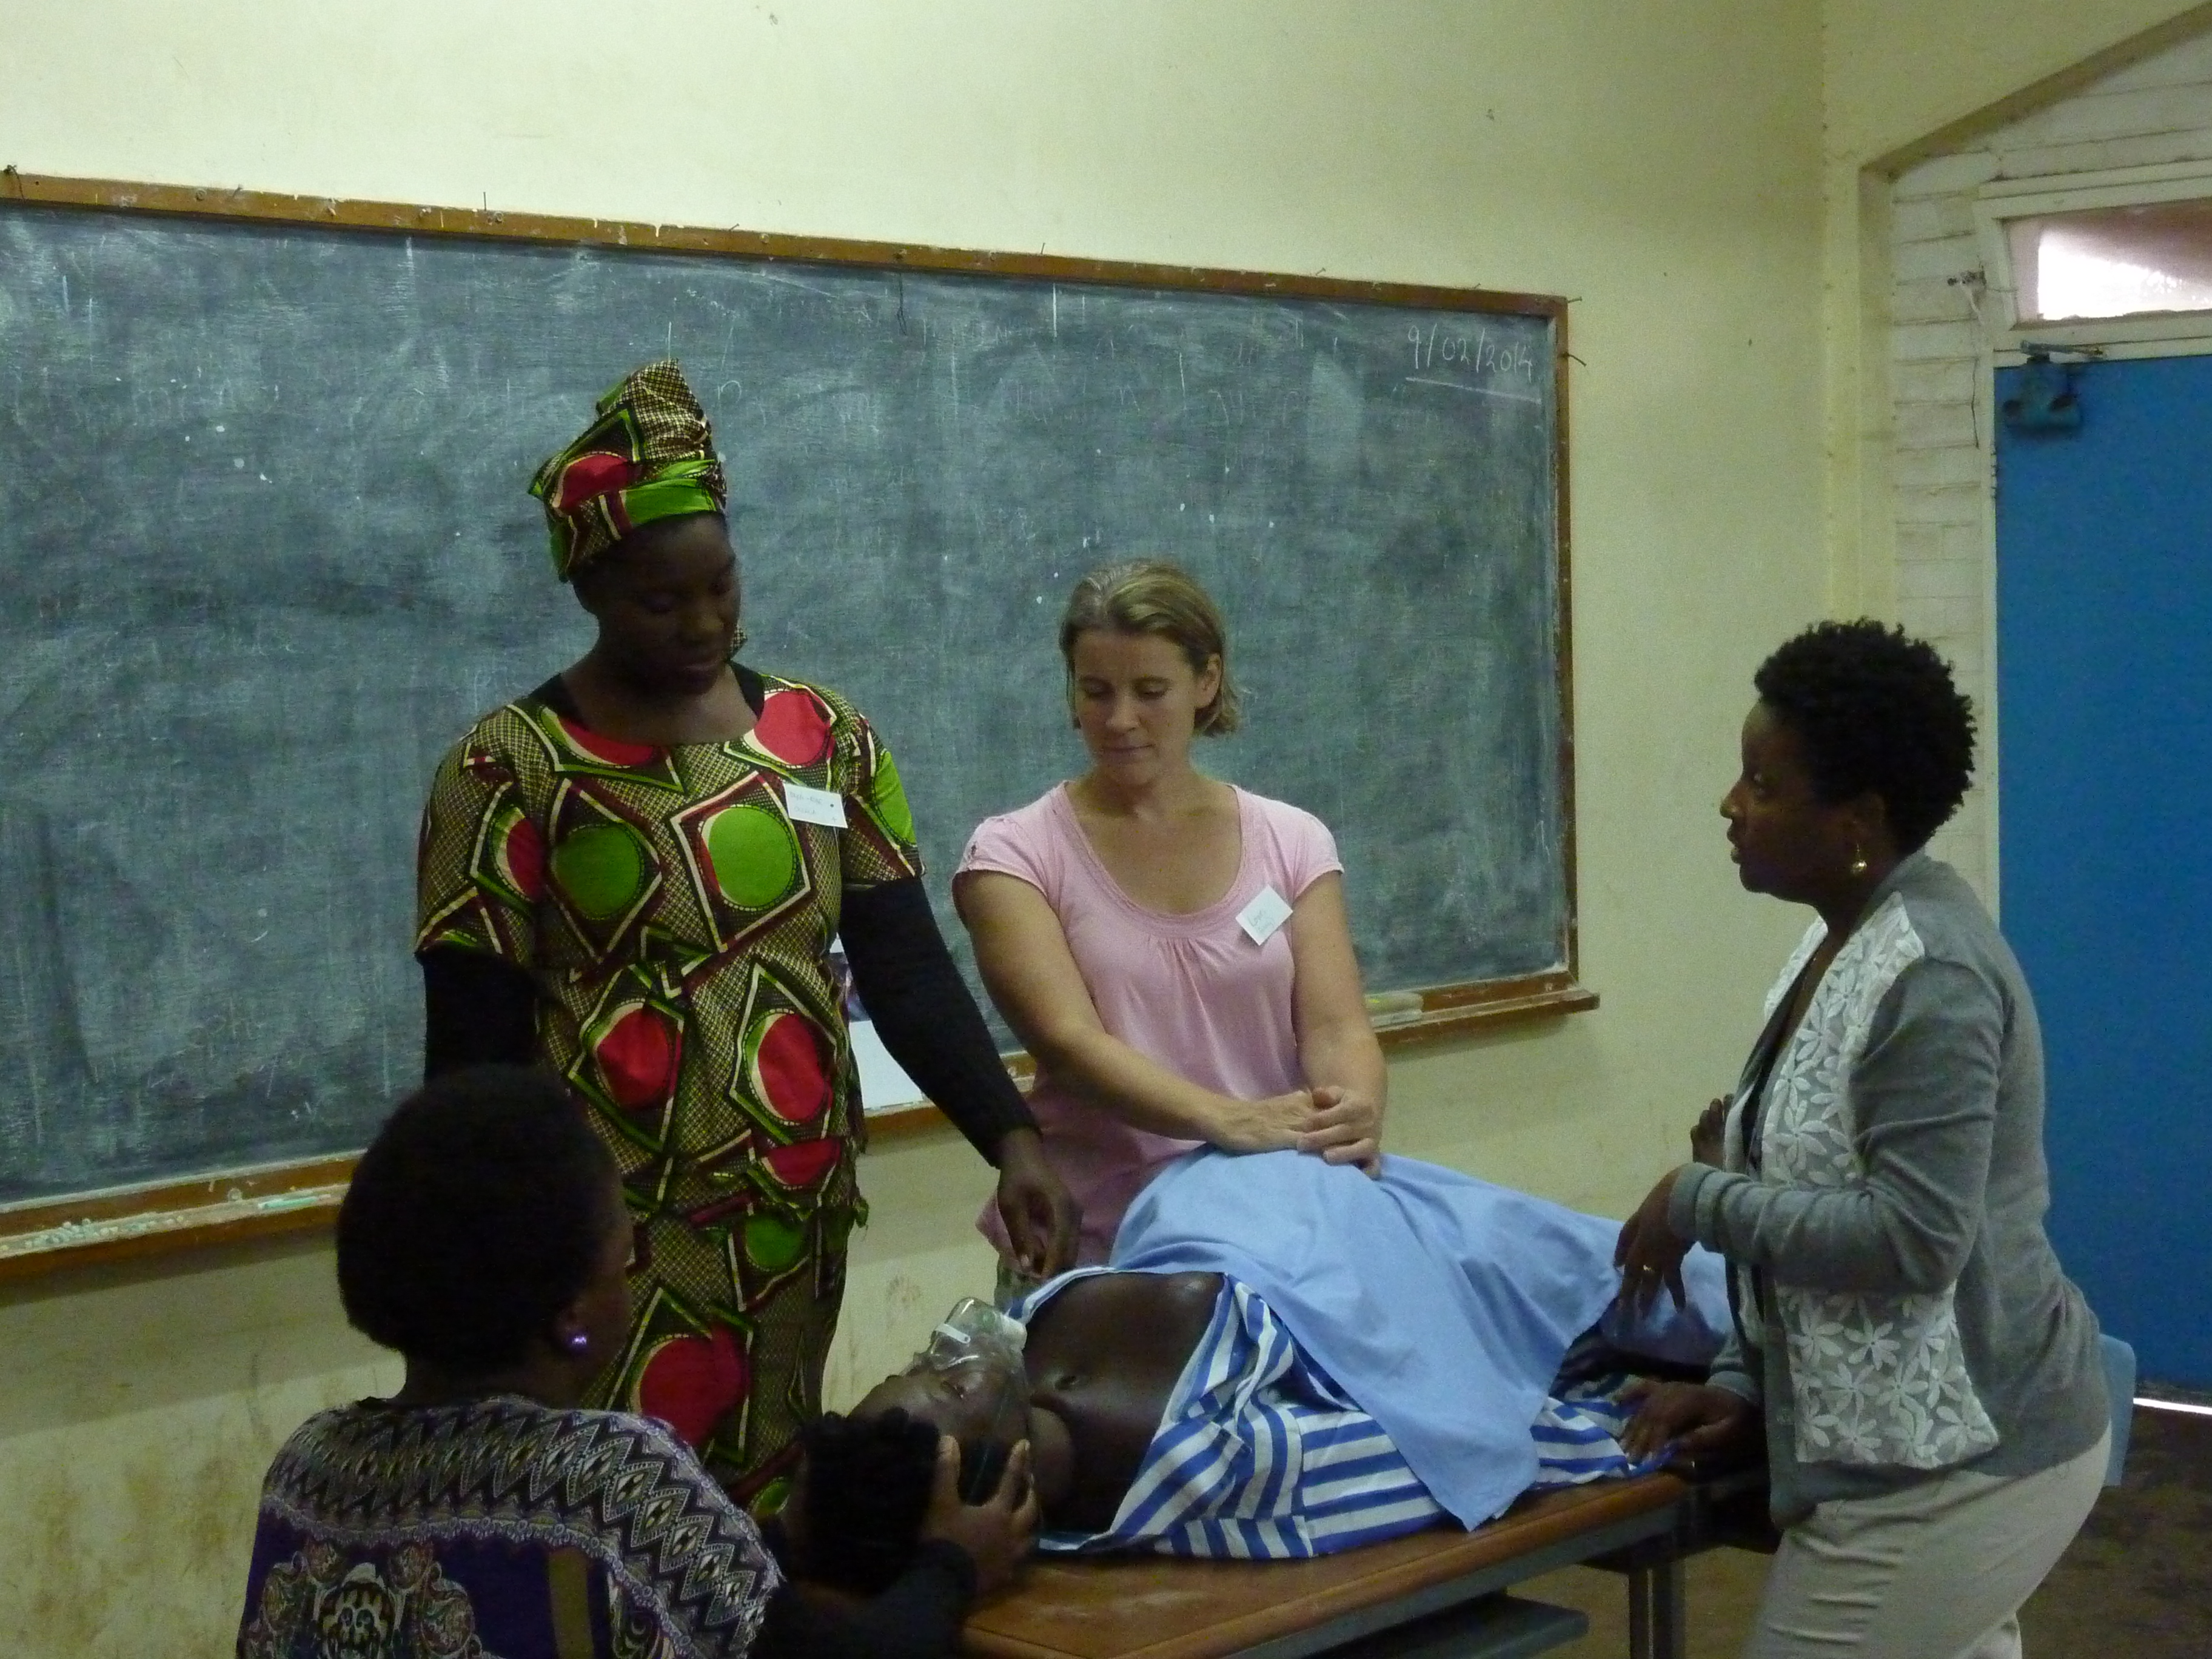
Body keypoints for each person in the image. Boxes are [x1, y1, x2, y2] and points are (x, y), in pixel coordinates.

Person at [414, 361, 1077, 1509]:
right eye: (659, 602)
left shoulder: (823, 737)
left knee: (769, 1495)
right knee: (612, 1505)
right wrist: (498, 1266)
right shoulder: (507, 768)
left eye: (720, 586)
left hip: (791, 1209)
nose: (703, 623)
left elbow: (904, 965)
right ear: (589, 594)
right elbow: (468, 1051)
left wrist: (1008, 1137)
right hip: (602, 1236)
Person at [1613, 620, 2109, 1659]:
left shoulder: (1931, 975)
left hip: (1959, 1467)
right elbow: (1799, 1189)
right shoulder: (1834, 938)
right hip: (1886, 1451)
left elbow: (1911, 1239)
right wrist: (1745, 1384)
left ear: (1858, 819)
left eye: (1763, 783)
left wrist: (1692, 1199)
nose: (1730, 804)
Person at [235, 1066, 1037, 1659]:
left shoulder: (306, 1473)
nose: (636, 1272)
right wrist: (953, 1565)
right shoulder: (608, 1478)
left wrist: (770, 1544)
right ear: (572, 1316)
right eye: (626, 1256)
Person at [857, 1142, 1732, 1562]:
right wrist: (1604, 1431)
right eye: (949, 1379)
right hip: (1367, 1275)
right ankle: (1763, 1325)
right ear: (994, 1484)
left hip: (1244, 1199)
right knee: (1609, 1272)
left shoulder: (1024, 1353)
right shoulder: (1199, 1468)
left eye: (926, 1357)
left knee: (1581, 1265)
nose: (954, 1346)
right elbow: (1437, 1450)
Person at [956, 559, 1385, 1275]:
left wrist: (1349, 1118)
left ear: (1206, 684)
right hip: (1103, 1248)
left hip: (1279, 1231)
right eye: (1096, 692)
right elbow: (1069, 1043)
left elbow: (1336, 1027)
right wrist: (1232, 1122)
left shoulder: (1292, 840)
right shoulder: (1014, 855)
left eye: (1150, 691)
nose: (1120, 720)